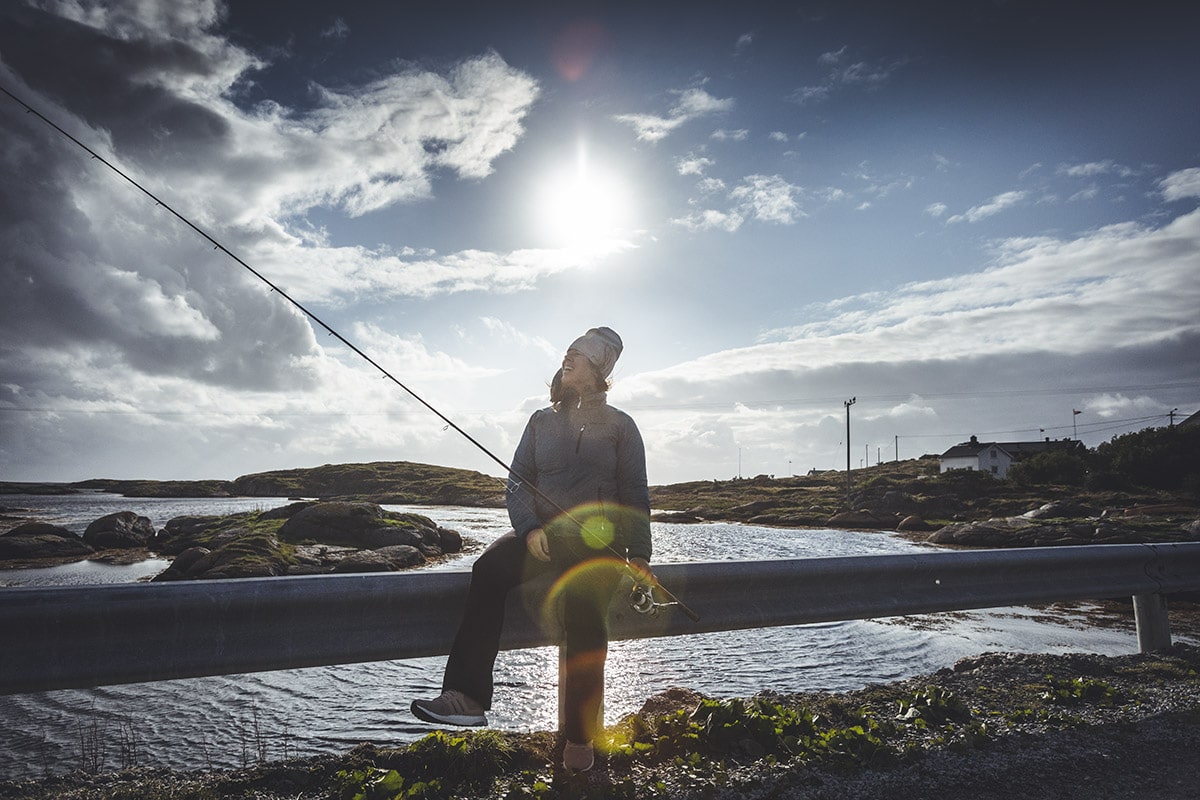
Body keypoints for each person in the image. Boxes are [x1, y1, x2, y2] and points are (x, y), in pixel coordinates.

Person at [411, 326, 653, 773]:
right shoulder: (541, 421)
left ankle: (579, 740)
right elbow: (517, 482)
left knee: (583, 614)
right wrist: (528, 529)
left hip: (599, 547)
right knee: (487, 570)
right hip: (543, 537)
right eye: (567, 353)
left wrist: (639, 553)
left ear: (599, 369)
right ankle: (465, 697)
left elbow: (635, 494)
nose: (567, 359)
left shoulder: (622, 426)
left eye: (577, 355)